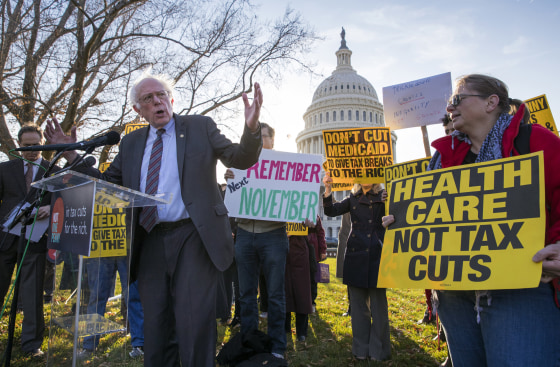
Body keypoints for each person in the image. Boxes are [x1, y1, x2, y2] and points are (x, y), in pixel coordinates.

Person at [45, 72, 263, 367]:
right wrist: (71, 155)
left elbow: (240, 158)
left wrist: (251, 129)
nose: (157, 101)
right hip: (149, 239)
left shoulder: (200, 127)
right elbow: (108, 185)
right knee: (156, 323)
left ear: (171, 100)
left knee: (194, 319)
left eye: (161, 95)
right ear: (138, 109)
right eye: (148, 98)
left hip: (193, 236)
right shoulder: (131, 143)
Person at [383, 74, 560, 367]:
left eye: (456, 99)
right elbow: (433, 216)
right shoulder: (445, 157)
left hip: (522, 288)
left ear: (491, 102)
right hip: (456, 294)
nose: (449, 107)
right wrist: (402, 223)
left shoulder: (535, 141)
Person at [227, 122, 289, 360]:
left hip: (273, 234)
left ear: (273, 141)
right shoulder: (239, 165)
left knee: (274, 294)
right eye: (256, 137)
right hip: (244, 233)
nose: (260, 141)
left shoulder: (285, 167)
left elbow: (300, 194)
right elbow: (232, 195)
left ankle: (277, 347)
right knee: (246, 294)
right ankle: (250, 343)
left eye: (264, 136)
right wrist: (232, 178)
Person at [0, 124, 57, 358]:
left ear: (42, 144)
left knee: (33, 294)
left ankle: (31, 346)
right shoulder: (4, 169)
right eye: (27, 146)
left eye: (36, 145)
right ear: (19, 145)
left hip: (34, 241)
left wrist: (49, 206)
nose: (32, 150)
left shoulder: (53, 171)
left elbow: (64, 200)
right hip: (4, 240)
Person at [322, 177, 391, 361]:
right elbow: (331, 210)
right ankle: (361, 349)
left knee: (379, 308)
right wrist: (328, 191)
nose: (366, 180)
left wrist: (391, 202)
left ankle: (378, 351)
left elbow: (398, 216)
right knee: (359, 310)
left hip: (378, 256)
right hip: (356, 255)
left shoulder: (384, 197)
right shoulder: (352, 198)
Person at [307, 215, 326, 313]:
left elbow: (320, 232)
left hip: (313, 249)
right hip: (299, 248)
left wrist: (323, 249)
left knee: (313, 278)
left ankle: (312, 302)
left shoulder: (315, 215)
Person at [337, 212, 352, 316]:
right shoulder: (350, 200)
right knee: (350, 279)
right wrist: (328, 197)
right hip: (347, 243)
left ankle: (372, 310)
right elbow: (337, 205)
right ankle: (351, 308)